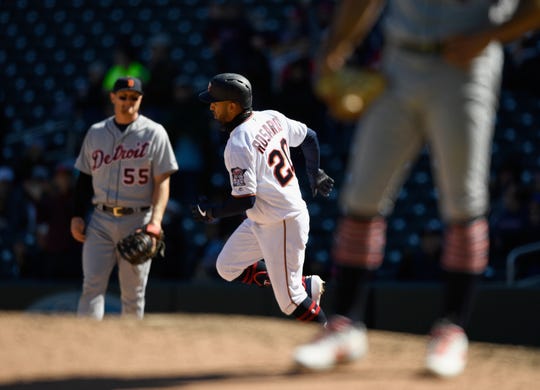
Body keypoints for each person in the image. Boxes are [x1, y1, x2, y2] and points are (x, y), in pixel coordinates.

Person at [293, 0, 540, 378]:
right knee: (362, 195)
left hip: (466, 67)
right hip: (398, 62)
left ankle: (452, 329)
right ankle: (345, 327)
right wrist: (337, 44)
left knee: (464, 201)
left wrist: (490, 36)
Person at [191, 73, 335, 326]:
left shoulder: (237, 143)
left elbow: (244, 200)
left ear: (233, 106)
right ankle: (302, 283)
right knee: (226, 267)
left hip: (282, 222)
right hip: (265, 218)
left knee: (290, 301)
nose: (211, 106)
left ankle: (327, 335)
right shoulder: (271, 117)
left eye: (215, 101)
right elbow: (309, 137)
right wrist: (315, 172)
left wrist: (210, 213)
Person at [70, 76, 178, 320]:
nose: (128, 102)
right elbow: (84, 178)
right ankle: (86, 346)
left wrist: (156, 222)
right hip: (100, 220)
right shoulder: (96, 132)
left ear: (140, 99)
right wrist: (77, 214)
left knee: (133, 293)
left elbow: (162, 181)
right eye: (123, 97)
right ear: (112, 98)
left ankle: (130, 351)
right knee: (91, 286)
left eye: (133, 97)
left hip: (138, 220)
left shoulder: (154, 132)